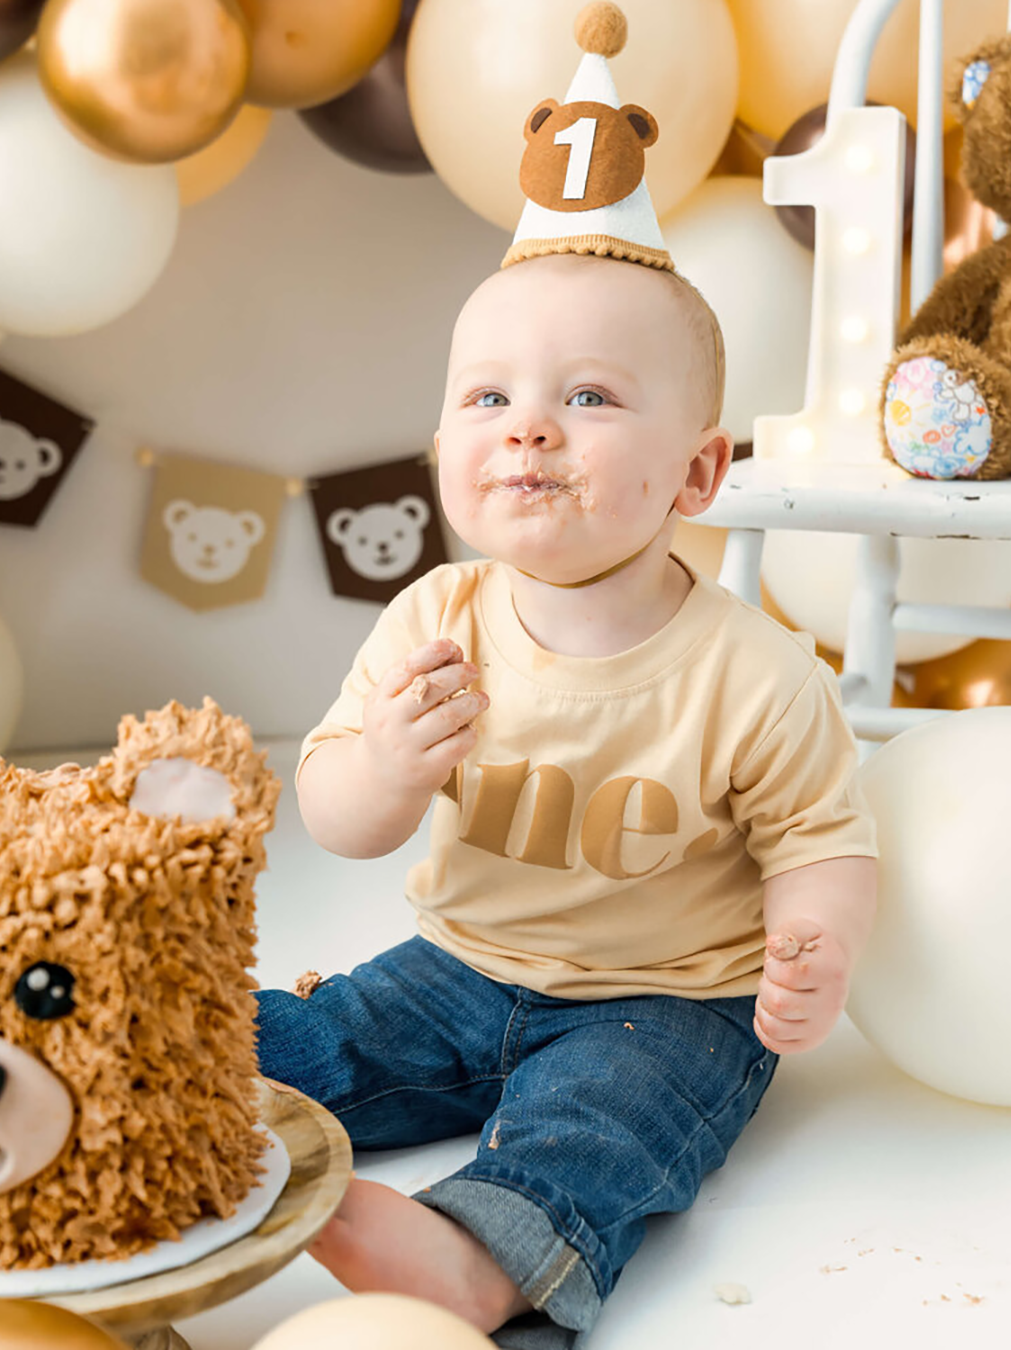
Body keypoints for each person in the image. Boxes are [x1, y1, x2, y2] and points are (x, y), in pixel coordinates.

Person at [255, 9, 878, 1348]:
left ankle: (484, 1250)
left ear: (699, 475)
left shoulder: (752, 670)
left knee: (612, 1116)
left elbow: (823, 838)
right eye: (488, 399)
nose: (530, 423)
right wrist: (386, 767)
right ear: (441, 449)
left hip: (669, 995)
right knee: (317, 1042)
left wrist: (814, 946)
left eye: (589, 397)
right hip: (455, 965)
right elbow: (335, 814)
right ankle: (139, 1090)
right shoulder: (437, 615)